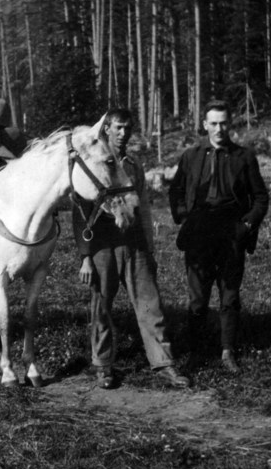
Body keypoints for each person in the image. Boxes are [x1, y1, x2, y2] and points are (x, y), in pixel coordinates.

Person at [74, 108, 189, 390]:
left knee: (150, 303)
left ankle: (163, 362)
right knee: (101, 305)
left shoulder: (135, 166)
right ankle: (103, 365)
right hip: (103, 244)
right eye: (118, 128)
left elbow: (145, 209)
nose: (123, 133)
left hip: (134, 242)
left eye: (127, 128)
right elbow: (80, 211)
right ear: (107, 130)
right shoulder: (94, 162)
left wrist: (149, 247)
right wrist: (86, 257)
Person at [169, 100, 269, 373]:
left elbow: (260, 198)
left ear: (231, 124)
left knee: (230, 296)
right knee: (198, 298)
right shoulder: (191, 156)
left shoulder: (244, 157)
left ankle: (227, 351)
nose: (219, 128)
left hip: (231, 232)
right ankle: (196, 351)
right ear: (204, 125)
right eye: (213, 123)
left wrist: (246, 226)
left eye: (223, 122)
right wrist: (185, 217)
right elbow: (175, 191)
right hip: (199, 232)